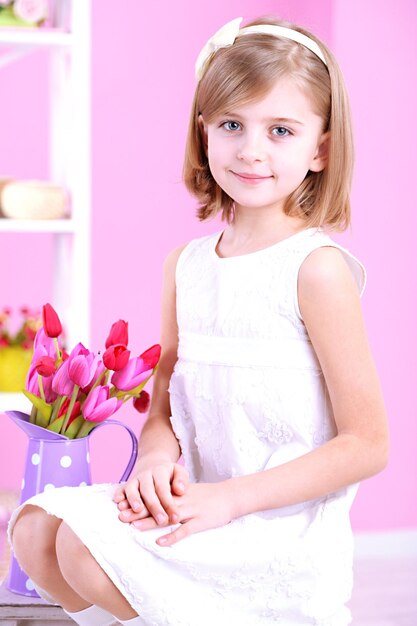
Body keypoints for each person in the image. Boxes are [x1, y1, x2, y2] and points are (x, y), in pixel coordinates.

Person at [9, 15, 388, 626]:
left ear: (320, 148)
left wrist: (227, 501)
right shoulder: (186, 266)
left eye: (281, 130)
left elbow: (368, 445)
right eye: (232, 124)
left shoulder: (316, 269)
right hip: (197, 505)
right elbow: (162, 402)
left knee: (80, 550)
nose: (251, 149)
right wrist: (157, 462)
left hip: (270, 526)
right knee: (33, 531)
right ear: (204, 130)